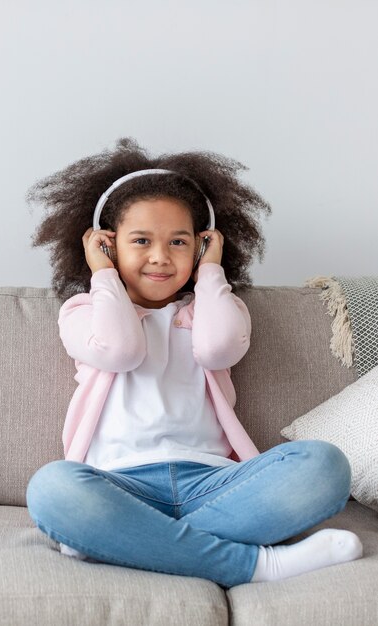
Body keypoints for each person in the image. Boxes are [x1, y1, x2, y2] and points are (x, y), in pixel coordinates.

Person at [26, 138, 362, 588]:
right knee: (53, 488)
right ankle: (257, 566)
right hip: (121, 486)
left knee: (324, 463)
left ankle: (127, 543)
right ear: (107, 246)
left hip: (216, 487)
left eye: (179, 242)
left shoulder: (215, 308)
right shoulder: (84, 311)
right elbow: (120, 349)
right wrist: (103, 274)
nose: (161, 256)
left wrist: (210, 273)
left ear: (201, 247)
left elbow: (218, 349)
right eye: (140, 241)